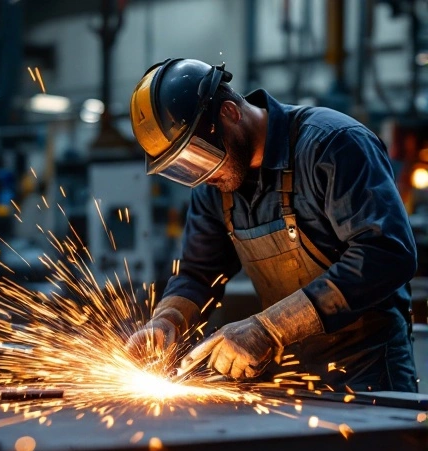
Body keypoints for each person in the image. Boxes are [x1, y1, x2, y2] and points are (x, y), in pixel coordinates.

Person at [127, 58, 418, 392]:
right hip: (291, 376)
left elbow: (387, 254)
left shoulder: (332, 144)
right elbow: (198, 274)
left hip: (368, 375)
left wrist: (268, 329)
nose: (202, 175)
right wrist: (167, 321)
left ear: (230, 113)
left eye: (199, 157)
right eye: (184, 169)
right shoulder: (215, 186)